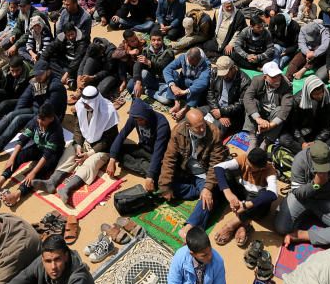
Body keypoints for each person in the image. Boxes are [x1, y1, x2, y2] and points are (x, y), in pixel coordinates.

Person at [158, 108, 230, 241]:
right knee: (164, 186)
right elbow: (169, 159)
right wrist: (165, 186)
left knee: (208, 196)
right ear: (188, 126)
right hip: (186, 171)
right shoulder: (178, 131)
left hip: (204, 174)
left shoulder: (214, 133)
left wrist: (208, 188)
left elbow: (215, 164)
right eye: (198, 128)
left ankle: (191, 226)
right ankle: (200, 192)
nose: (203, 129)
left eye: (203, 124)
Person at [39, 86, 118, 204]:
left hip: (101, 148)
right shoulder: (81, 106)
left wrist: (89, 154)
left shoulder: (109, 112)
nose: (85, 105)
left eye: (88, 103)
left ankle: (67, 189)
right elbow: (78, 128)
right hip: (85, 142)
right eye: (84, 102)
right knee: (70, 152)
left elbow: (108, 140)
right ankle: (52, 182)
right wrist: (78, 145)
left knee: (90, 164)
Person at [273, 141, 330, 248]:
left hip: (325, 201)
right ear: (310, 157)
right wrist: (316, 185)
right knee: (281, 228)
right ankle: (298, 211)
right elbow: (297, 192)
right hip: (302, 198)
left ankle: (301, 235)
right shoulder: (300, 159)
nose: (323, 172)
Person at [0, 103, 66, 209]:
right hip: (39, 147)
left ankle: (17, 195)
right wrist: (12, 158)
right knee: (20, 155)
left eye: (43, 120)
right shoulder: (36, 120)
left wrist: (33, 172)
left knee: (37, 173)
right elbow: (23, 139)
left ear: (51, 119)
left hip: (52, 155)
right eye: (39, 119)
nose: (40, 122)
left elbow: (47, 155)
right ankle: (0, 181)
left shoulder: (56, 130)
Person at [210, 147, 279, 247]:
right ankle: (244, 224)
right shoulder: (245, 158)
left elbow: (273, 194)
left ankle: (233, 224)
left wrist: (246, 205)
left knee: (264, 199)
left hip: (255, 198)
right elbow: (218, 167)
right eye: (247, 163)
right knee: (225, 173)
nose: (246, 167)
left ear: (262, 168)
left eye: (250, 167)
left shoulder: (269, 170)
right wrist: (228, 193)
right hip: (242, 191)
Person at [107, 98, 171, 192]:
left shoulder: (162, 125)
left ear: (147, 116)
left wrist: (150, 176)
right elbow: (122, 135)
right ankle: (143, 165)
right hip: (142, 148)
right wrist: (112, 159)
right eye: (137, 120)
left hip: (158, 154)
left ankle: (145, 166)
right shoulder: (135, 118)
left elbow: (159, 152)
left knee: (157, 174)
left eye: (141, 120)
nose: (138, 122)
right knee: (116, 150)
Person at [2, 234, 94, 284]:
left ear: (66, 256)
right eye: (48, 261)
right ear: (43, 259)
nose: (53, 266)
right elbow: (22, 278)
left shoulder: (78, 279)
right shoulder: (42, 261)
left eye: (57, 259)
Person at [241, 61, 294, 147]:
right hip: (261, 112)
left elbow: (286, 108)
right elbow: (247, 97)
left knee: (280, 110)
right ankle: (253, 139)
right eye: (273, 77)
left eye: (279, 76)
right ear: (265, 77)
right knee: (251, 103)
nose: (277, 79)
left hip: (274, 115)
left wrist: (270, 126)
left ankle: (266, 142)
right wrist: (258, 119)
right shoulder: (257, 80)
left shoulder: (286, 85)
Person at [155, 47, 211, 120]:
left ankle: (185, 109)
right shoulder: (183, 57)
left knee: (198, 85)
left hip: (193, 89)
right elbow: (167, 69)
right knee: (173, 74)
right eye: (189, 62)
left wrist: (185, 91)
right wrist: (173, 86)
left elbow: (203, 83)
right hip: (183, 82)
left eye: (193, 63)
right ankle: (176, 103)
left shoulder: (206, 64)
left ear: (198, 60)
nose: (190, 65)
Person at [202, 55, 250, 136]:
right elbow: (210, 92)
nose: (224, 76)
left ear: (233, 68)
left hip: (231, 114)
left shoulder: (245, 82)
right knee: (194, 115)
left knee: (213, 131)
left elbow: (241, 104)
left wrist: (222, 112)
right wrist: (216, 110)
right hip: (214, 107)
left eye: (226, 74)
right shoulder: (215, 72)